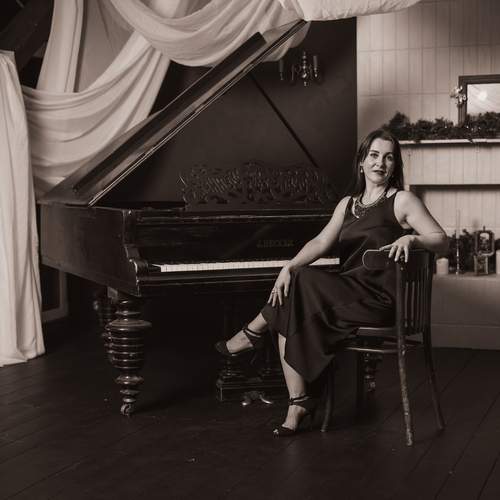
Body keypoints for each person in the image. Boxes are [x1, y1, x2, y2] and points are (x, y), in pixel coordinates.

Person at [215, 129, 448, 437]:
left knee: (301, 281)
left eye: (388, 157)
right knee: (292, 295)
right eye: (374, 155)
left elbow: (441, 240)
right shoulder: (348, 204)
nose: (380, 163)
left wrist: (412, 238)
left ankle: (253, 332)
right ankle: (297, 403)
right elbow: (321, 241)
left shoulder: (402, 200)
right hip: (347, 294)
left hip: (378, 300)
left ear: (395, 166)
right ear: (361, 161)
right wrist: (288, 266)